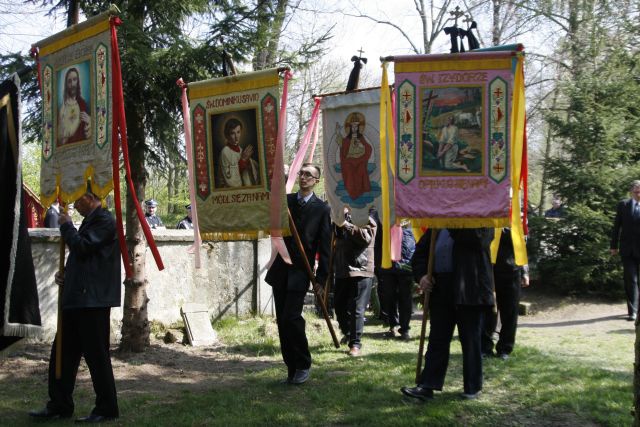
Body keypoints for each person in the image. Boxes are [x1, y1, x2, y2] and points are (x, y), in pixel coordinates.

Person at [29, 190, 120, 422]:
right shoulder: (90, 221)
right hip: (77, 298)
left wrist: (67, 226)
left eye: (77, 201)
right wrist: (67, 274)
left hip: (93, 301)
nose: (74, 207)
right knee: (62, 354)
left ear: (89, 198)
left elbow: (83, 247)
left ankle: (106, 408)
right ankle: (59, 404)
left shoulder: (105, 221)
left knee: (96, 356)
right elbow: (85, 260)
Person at [401, 228, 494, 401]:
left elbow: (477, 241)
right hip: (441, 287)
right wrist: (422, 276)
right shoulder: (436, 225)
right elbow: (420, 254)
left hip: (469, 287)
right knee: (437, 338)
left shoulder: (481, 221)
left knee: (470, 339)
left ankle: (472, 387)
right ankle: (427, 386)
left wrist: (453, 222)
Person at [265, 163, 331, 384]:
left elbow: (325, 248)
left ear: (316, 181)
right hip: (280, 270)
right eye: (301, 173)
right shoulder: (286, 202)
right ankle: (291, 367)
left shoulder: (322, 209)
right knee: (282, 322)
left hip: (301, 273)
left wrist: (321, 279)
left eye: (308, 175)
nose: (303, 177)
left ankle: (303, 363)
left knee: (291, 317)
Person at [333, 207, 377, 356]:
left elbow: (365, 237)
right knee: (338, 305)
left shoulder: (366, 216)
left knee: (357, 308)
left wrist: (345, 223)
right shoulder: (339, 215)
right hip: (342, 268)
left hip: (361, 268)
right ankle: (347, 332)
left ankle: (355, 344)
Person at [481, 228, 529, 360]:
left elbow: (522, 245)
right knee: (487, 310)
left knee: (510, 311)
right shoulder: (487, 218)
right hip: (488, 270)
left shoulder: (515, 221)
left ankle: (505, 348)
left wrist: (525, 271)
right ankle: (485, 347)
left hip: (511, 270)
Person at [379, 222, 416, 340]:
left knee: (405, 297)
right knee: (389, 296)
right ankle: (393, 325)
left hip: (406, 261)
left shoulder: (409, 221)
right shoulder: (385, 212)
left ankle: (405, 328)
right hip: (387, 262)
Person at [611, 180, 640, 321]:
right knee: (631, 280)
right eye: (636, 189)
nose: (638, 191)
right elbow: (617, 227)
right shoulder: (623, 205)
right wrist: (613, 246)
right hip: (627, 249)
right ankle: (632, 311)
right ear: (631, 191)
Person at [335, 113, 372, 200]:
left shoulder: (361, 137)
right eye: (353, 127)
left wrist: (360, 145)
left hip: (360, 160)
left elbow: (368, 148)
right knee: (348, 168)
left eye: (356, 127)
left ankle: (360, 191)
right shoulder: (348, 138)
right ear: (350, 128)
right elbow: (342, 143)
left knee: (361, 168)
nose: (354, 128)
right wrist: (337, 132)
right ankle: (351, 191)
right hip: (349, 160)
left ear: (358, 128)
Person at [218, 118, 260, 188]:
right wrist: (243, 160)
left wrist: (249, 162)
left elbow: (250, 169)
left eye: (238, 132)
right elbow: (230, 180)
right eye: (232, 133)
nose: (236, 137)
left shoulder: (240, 150)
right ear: (227, 135)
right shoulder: (225, 152)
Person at [57, 67, 91, 146]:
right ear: (66, 84)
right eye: (69, 81)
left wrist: (89, 121)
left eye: (74, 80)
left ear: (78, 81)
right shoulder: (62, 108)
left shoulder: (83, 104)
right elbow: (59, 139)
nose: (72, 84)